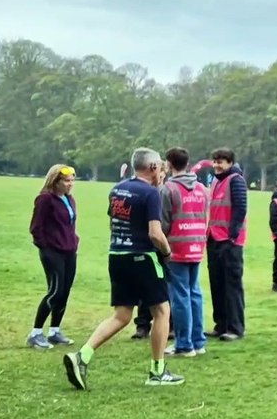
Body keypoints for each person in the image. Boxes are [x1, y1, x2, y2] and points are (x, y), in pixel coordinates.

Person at [62, 148, 183, 389]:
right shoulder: (150, 193)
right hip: (143, 257)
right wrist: (168, 253)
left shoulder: (117, 189)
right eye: (159, 166)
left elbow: (113, 222)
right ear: (151, 168)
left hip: (116, 255)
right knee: (161, 311)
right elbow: (155, 233)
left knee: (122, 315)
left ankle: (82, 356)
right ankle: (157, 371)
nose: (162, 171)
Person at [159, 148, 209, 357]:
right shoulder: (200, 188)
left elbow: (163, 223)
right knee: (194, 293)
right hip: (196, 245)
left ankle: (184, 344)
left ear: (169, 164)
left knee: (180, 296)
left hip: (176, 248)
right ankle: (198, 342)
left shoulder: (167, 189)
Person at [27, 164, 79, 349]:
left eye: (72, 181)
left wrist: (74, 241)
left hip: (69, 251)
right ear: (55, 181)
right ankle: (36, 333)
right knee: (55, 291)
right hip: (53, 252)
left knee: (64, 292)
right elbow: (36, 227)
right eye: (66, 181)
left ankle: (55, 331)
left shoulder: (69, 199)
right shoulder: (45, 200)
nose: (70, 184)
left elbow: (69, 225)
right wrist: (46, 247)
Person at [207, 148, 247, 341]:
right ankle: (221, 324)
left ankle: (235, 327)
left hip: (230, 241)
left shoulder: (236, 180)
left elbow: (240, 208)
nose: (216, 165)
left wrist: (232, 236)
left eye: (221, 161)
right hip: (214, 238)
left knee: (232, 285)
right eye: (214, 161)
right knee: (217, 284)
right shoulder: (215, 180)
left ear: (230, 163)